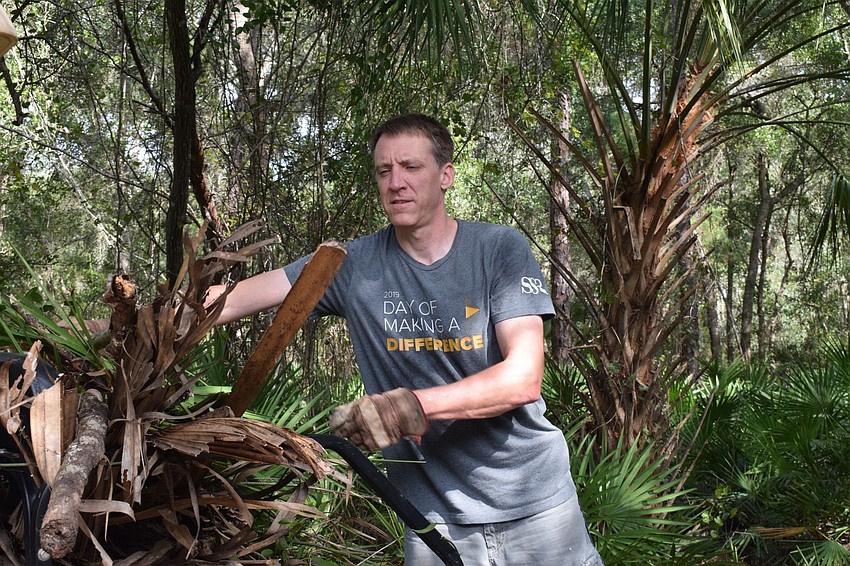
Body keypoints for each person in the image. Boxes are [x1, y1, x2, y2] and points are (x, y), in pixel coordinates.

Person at [209, 113, 602, 565]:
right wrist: (137, 320)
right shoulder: (351, 264)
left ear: (446, 175)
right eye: (384, 170)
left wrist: (410, 406)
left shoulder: (499, 249)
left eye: (411, 167)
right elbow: (233, 299)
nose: (396, 182)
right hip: (431, 521)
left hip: (534, 506)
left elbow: (523, 378)